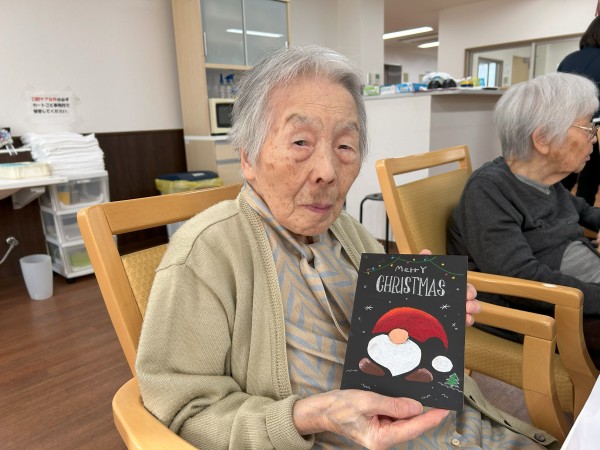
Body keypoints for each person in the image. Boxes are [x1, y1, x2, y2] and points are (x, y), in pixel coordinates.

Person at [136, 45, 559, 449]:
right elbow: (183, 414)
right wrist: (308, 415)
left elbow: (389, 345)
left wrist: (426, 310)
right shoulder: (207, 254)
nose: (327, 171)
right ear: (248, 157)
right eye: (300, 142)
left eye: (344, 146)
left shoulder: (347, 231)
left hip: (465, 429)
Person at [447, 72, 600, 362]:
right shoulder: (489, 190)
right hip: (543, 311)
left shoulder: (545, 181)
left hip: (576, 290)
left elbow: (583, 211)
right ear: (543, 139)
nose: (593, 138)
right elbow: (520, 280)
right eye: (587, 127)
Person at [557, 16, 600, 205]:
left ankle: (552, 211)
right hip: (595, 127)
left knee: (564, 176)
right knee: (589, 180)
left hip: (567, 125)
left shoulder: (568, 59)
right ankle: (581, 216)